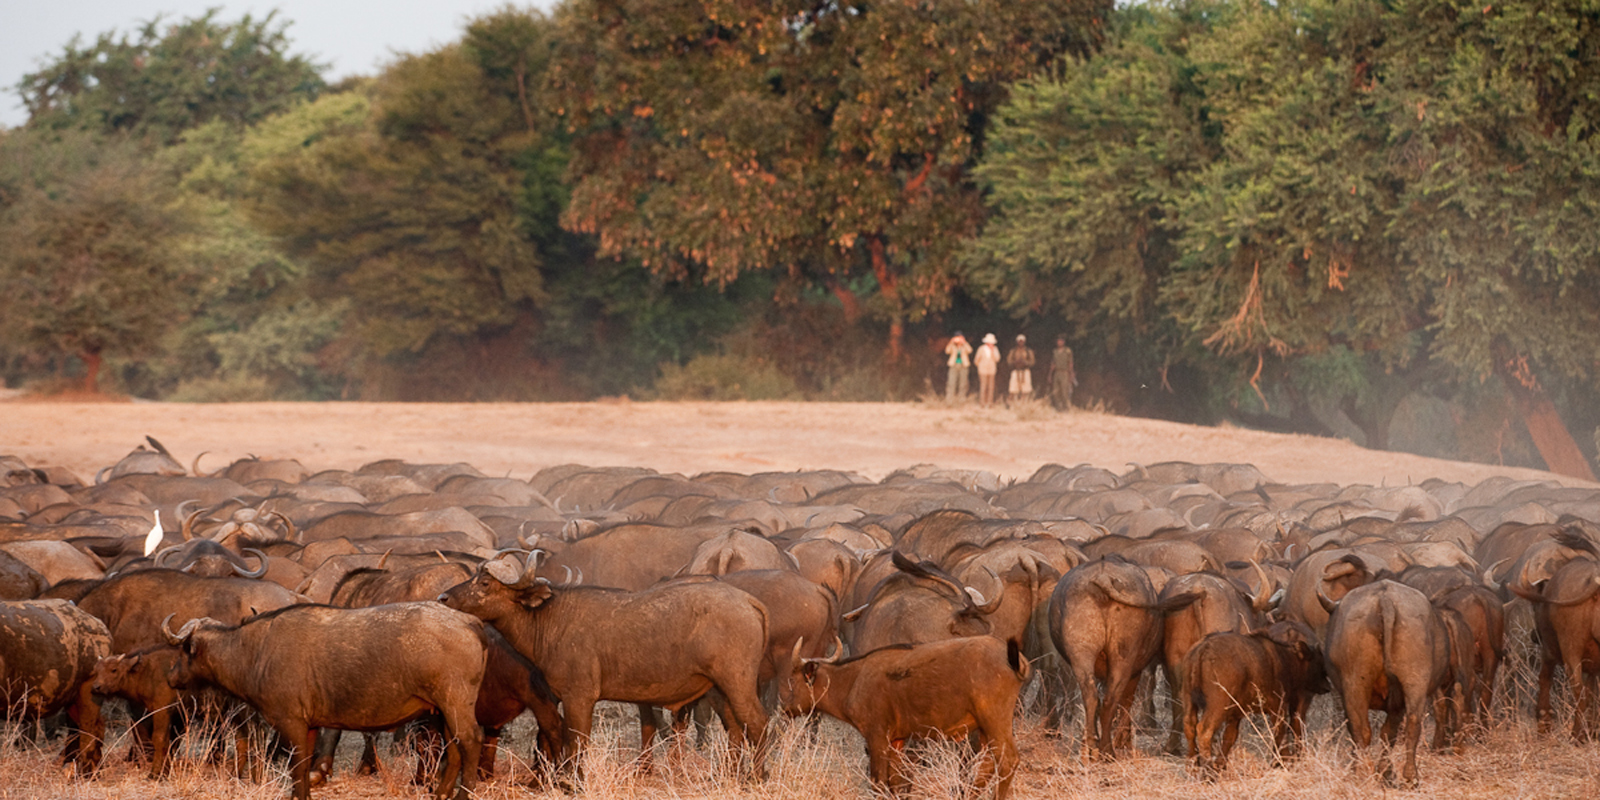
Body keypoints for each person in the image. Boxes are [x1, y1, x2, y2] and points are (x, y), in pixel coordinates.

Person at [943, 331, 973, 402]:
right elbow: (947, 351)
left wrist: (964, 342)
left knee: (963, 383)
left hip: (963, 365)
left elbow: (970, 350)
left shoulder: (964, 345)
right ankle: (950, 399)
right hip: (953, 365)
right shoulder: (952, 345)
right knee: (951, 382)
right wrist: (951, 342)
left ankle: (961, 399)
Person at [1006, 334, 1035, 404]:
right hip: (1016, 371)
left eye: (1022, 341)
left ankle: (1024, 404)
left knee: (1025, 390)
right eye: (1019, 341)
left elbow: (1032, 362)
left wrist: (1025, 362)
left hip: (1025, 371)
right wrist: (1015, 362)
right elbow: (1009, 361)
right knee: (1013, 389)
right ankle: (1013, 404)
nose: (1021, 343)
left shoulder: (1028, 351)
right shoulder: (1013, 351)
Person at [974, 333, 1001, 407]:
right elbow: (976, 360)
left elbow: (997, 359)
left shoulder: (995, 349)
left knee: (991, 386)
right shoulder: (981, 349)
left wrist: (992, 351)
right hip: (983, 370)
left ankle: (990, 402)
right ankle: (982, 402)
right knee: (983, 386)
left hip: (992, 371)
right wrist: (980, 366)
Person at [1050, 336, 1076, 410]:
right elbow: (1053, 363)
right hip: (1056, 372)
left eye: (1061, 341)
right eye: (1058, 341)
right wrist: (1050, 374)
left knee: (1065, 391)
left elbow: (1070, 363)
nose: (1059, 342)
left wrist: (1071, 374)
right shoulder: (1055, 351)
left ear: (1063, 342)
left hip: (1064, 372)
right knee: (1056, 391)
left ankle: (1066, 408)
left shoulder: (1067, 351)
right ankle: (1058, 407)